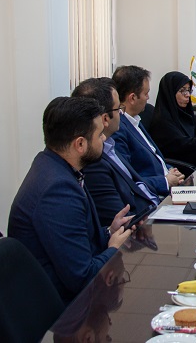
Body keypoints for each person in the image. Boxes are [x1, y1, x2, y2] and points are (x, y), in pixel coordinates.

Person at [8, 97, 134, 304]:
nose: (103, 138)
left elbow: (77, 238)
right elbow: (82, 278)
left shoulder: (51, 164)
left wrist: (109, 232)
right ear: (80, 144)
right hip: (61, 305)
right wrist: (113, 249)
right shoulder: (57, 192)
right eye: (99, 134)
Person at [72, 78, 159, 225]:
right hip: (142, 225)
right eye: (118, 108)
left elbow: (135, 184)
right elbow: (122, 220)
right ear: (105, 119)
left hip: (154, 208)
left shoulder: (109, 144)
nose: (121, 113)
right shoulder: (94, 162)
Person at [111, 65, 184, 197]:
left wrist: (169, 170)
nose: (148, 98)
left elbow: (153, 157)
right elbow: (128, 179)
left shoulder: (135, 119)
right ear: (132, 98)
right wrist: (165, 181)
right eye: (146, 93)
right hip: (154, 196)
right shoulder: (118, 129)